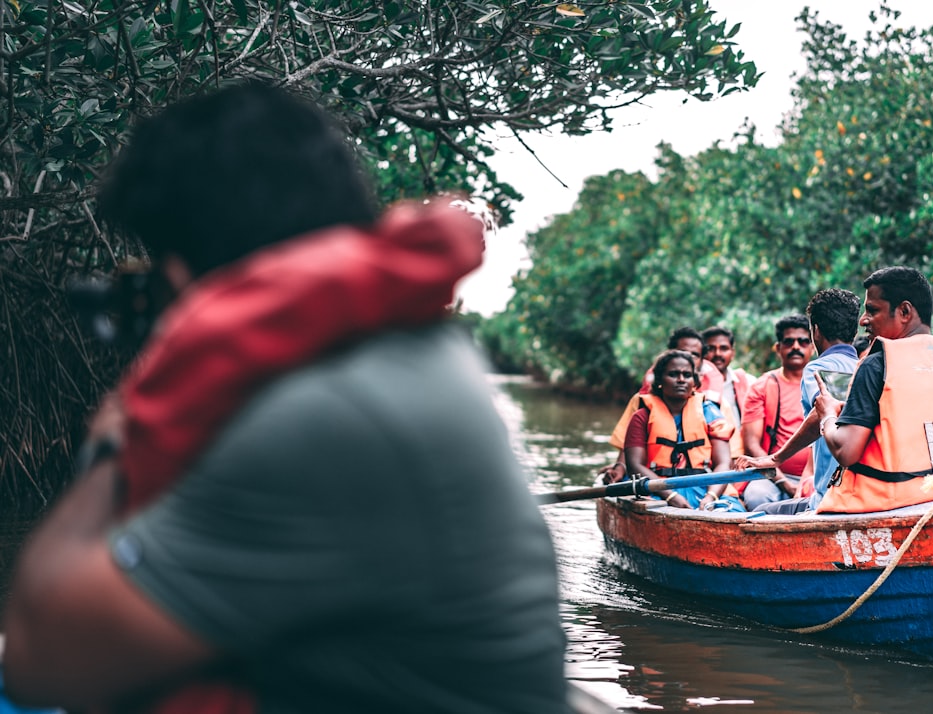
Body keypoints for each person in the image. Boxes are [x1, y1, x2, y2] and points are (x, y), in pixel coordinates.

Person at [1, 83, 569, 713]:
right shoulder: (400, 348)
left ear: (182, 270)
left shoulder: (330, 414)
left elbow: (40, 659)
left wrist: (114, 441)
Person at [814, 266, 933, 513]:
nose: (863, 320)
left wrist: (828, 415)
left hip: (897, 504)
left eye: (872, 310)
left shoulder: (876, 364)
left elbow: (846, 451)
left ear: (904, 311)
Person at [735, 289, 860, 513]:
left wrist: (775, 458)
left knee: (760, 515)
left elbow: (821, 413)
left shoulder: (817, 368)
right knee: (759, 497)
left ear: (816, 332)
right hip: (857, 492)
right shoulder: (866, 367)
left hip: (828, 497)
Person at [598, 325, 733, 483]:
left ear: (702, 360)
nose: (685, 358)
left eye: (694, 355)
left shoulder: (715, 406)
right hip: (654, 479)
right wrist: (620, 467)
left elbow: (728, 457)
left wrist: (713, 494)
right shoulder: (643, 403)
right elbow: (627, 448)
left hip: (702, 481)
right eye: (681, 352)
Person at [622, 350, 739, 510]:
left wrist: (710, 497)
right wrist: (670, 496)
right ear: (660, 380)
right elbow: (635, 465)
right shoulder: (642, 416)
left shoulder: (709, 412)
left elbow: (724, 463)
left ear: (694, 381)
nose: (681, 380)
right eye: (673, 374)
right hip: (657, 490)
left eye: (687, 375)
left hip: (705, 489)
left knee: (732, 509)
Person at [738, 315, 814, 510]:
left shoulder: (822, 383)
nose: (796, 346)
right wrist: (784, 483)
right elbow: (752, 444)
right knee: (756, 496)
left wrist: (806, 482)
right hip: (769, 475)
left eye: (803, 341)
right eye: (789, 342)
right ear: (778, 348)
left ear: (812, 347)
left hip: (815, 474)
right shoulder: (762, 386)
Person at [701, 325, 756, 430]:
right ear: (702, 353)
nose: (717, 354)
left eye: (724, 348)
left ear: (733, 353)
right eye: (711, 349)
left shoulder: (749, 382)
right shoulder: (694, 386)